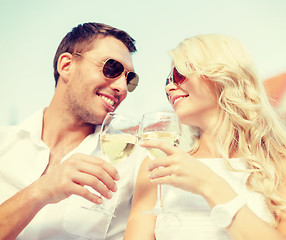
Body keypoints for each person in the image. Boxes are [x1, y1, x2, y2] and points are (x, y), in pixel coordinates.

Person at [124, 34, 286, 239]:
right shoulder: (157, 166)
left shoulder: (278, 162)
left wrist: (209, 184)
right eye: (168, 80)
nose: (168, 87)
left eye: (178, 75)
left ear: (222, 75)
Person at [0, 22, 144, 239]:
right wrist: (40, 191)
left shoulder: (134, 161)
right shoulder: (3, 145)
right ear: (66, 65)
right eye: (111, 68)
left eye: (129, 79)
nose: (122, 88)